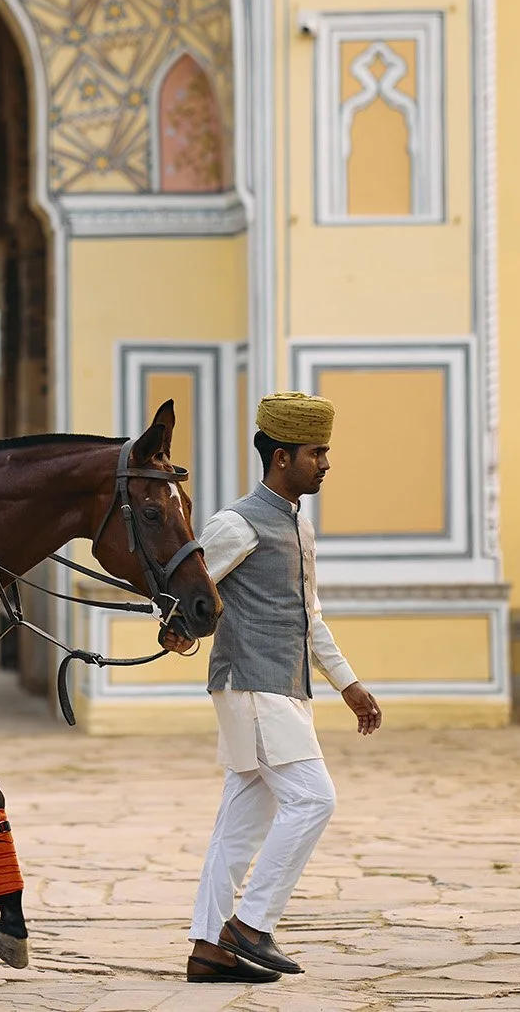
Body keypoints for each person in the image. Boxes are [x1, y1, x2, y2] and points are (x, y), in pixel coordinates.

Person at [165, 392, 384, 984]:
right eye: (318, 452)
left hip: (284, 688)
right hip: (250, 685)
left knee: (237, 827)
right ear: (282, 456)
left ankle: (209, 948)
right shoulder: (235, 523)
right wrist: (179, 629)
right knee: (315, 799)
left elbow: (310, 614)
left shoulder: (297, 525)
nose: (327, 464)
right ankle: (252, 926)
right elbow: (187, 586)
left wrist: (349, 685)